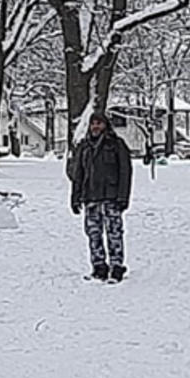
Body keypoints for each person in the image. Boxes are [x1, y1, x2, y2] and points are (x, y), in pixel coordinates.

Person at [70, 112, 133, 283]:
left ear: (105, 125)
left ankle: (117, 267)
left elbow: (125, 172)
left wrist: (123, 197)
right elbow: (78, 174)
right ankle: (99, 267)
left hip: (111, 197)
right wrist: (75, 197)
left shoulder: (116, 145)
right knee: (93, 234)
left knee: (114, 234)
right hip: (90, 197)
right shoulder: (84, 146)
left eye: (99, 123)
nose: (95, 127)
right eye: (93, 124)